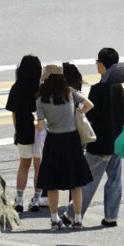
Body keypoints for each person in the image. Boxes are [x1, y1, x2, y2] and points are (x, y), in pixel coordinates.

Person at [68, 48, 124, 228]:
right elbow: (123, 114)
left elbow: (91, 117)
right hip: (116, 142)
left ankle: (72, 214)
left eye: (97, 62)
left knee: (88, 181)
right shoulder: (119, 87)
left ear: (102, 64)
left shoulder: (97, 89)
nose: (96, 65)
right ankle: (111, 216)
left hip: (99, 143)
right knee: (115, 180)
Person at [35, 64, 93, 231]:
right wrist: (78, 112)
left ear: (46, 78)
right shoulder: (70, 92)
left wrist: (45, 121)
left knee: (52, 182)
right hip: (72, 139)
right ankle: (78, 219)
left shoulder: (41, 98)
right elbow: (89, 104)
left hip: (53, 140)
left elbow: (40, 126)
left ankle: (54, 220)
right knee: (76, 182)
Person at [5, 55, 43, 213]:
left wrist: (17, 130)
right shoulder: (41, 88)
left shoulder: (16, 87)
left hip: (23, 129)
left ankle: (19, 199)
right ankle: (36, 200)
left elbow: (14, 113)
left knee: (24, 165)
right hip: (40, 131)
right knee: (39, 166)